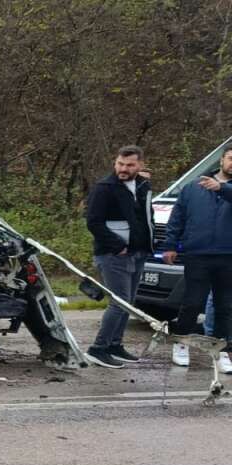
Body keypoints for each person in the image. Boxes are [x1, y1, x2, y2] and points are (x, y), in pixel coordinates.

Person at [161, 145, 232, 374]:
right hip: (197, 253)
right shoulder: (193, 188)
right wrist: (171, 245)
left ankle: (221, 350)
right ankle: (181, 344)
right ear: (221, 161)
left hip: (228, 255)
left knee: (224, 306)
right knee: (192, 302)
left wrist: (221, 188)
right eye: (230, 158)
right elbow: (177, 218)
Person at [84, 145, 154, 368]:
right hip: (113, 255)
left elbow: (145, 216)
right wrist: (117, 246)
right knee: (119, 302)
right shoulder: (104, 188)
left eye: (130, 165)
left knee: (129, 303)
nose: (123, 169)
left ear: (140, 165)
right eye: (120, 164)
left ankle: (115, 344)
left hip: (138, 252)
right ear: (115, 163)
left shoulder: (142, 185)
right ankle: (98, 348)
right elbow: (93, 222)